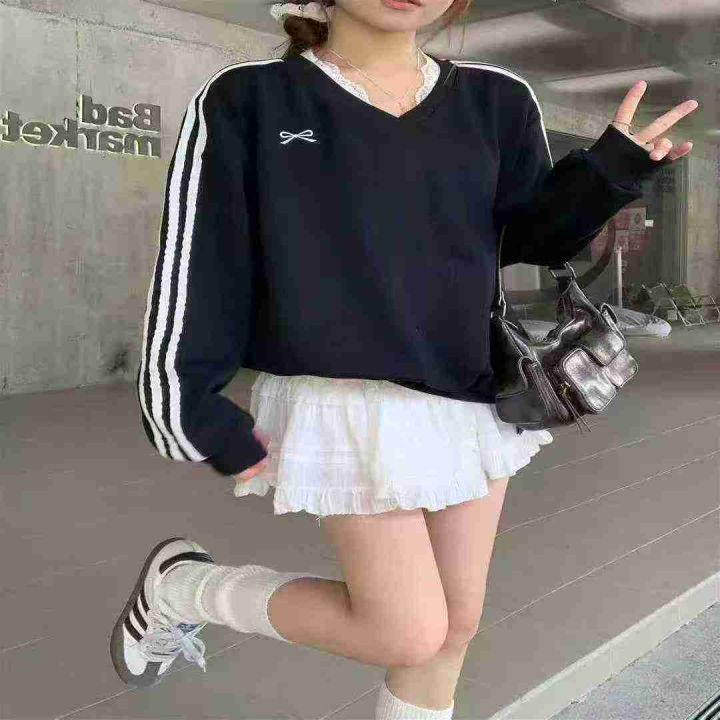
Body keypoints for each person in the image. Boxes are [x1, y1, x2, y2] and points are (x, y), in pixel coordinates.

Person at [110, 1, 697, 716]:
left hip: (471, 393)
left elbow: (530, 240)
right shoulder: (250, 98)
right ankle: (180, 589)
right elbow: (203, 260)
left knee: (456, 628)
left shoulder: (497, 98)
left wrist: (607, 173)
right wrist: (188, 406)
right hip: (344, 398)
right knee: (406, 631)